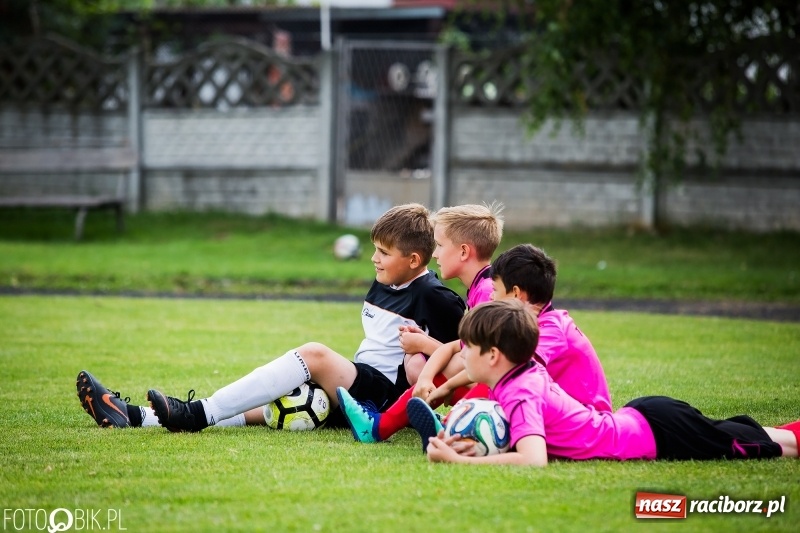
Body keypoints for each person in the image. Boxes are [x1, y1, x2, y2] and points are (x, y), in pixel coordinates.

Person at [77, 203, 467, 431]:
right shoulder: (386, 280)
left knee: (313, 353)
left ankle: (195, 414)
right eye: (375, 250)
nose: (374, 258)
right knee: (278, 399)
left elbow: (466, 357)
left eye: (383, 252)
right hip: (357, 382)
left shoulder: (436, 297)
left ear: (413, 260)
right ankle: (139, 417)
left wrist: (423, 352)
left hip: (382, 400)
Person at [406, 300, 800, 465]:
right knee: (732, 431)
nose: (463, 354)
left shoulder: (521, 390)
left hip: (658, 435)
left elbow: (533, 459)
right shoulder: (517, 376)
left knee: (764, 448)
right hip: (646, 418)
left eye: (468, 347)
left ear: (493, 356)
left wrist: (459, 460)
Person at [338, 243, 612, 448]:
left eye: (496, 291)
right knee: (465, 363)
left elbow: (511, 378)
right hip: (541, 406)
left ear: (515, 294)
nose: (491, 296)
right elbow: (456, 348)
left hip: (580, 419)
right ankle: (379, 426)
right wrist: (435, 384)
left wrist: (451, 402)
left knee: (483, 370)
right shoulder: (519, 322)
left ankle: (445, 425)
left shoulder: (549, 329)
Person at [336, 203, 504, 443]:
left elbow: (482, 362)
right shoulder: (479, 287)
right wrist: (424, 345)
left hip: (507, 387)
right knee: (417, 364)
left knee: (429, 363)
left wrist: (426, 348)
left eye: (440, 245)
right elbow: (464, 349)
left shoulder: (488, 293)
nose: (434, 253)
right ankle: (444, 420)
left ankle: (382, 425)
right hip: (497, 380)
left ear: (464, 252)